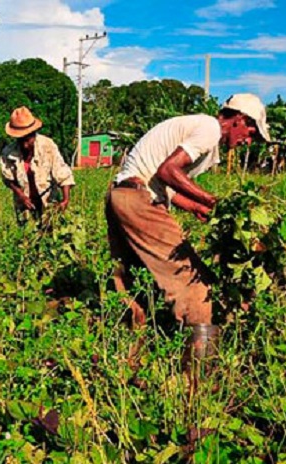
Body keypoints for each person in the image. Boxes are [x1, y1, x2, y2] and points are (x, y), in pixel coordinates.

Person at [105, 93, 271, 372]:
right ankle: (198, 383)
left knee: (135, 287)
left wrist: (198, 207)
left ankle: (128, 364)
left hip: (121, 196)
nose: (248, 141)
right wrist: (214, 202)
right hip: (139, 201)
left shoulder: (198, 131)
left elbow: (168, 184)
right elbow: (169, 171)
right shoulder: (210, 128)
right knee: (197, 287)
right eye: (251, 133)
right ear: (240, 119)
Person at [0, 107, 75, 225]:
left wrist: (65, 200)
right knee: (27, 236)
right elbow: (8, 179)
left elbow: (63, 173)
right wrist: (21, 195)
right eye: (21, 140)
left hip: (49, 200)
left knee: (51, 233)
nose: (24, 145)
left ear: (34, 134)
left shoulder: (47, 146)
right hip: (24, 203)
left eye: (28, 139)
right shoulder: (8, 152)